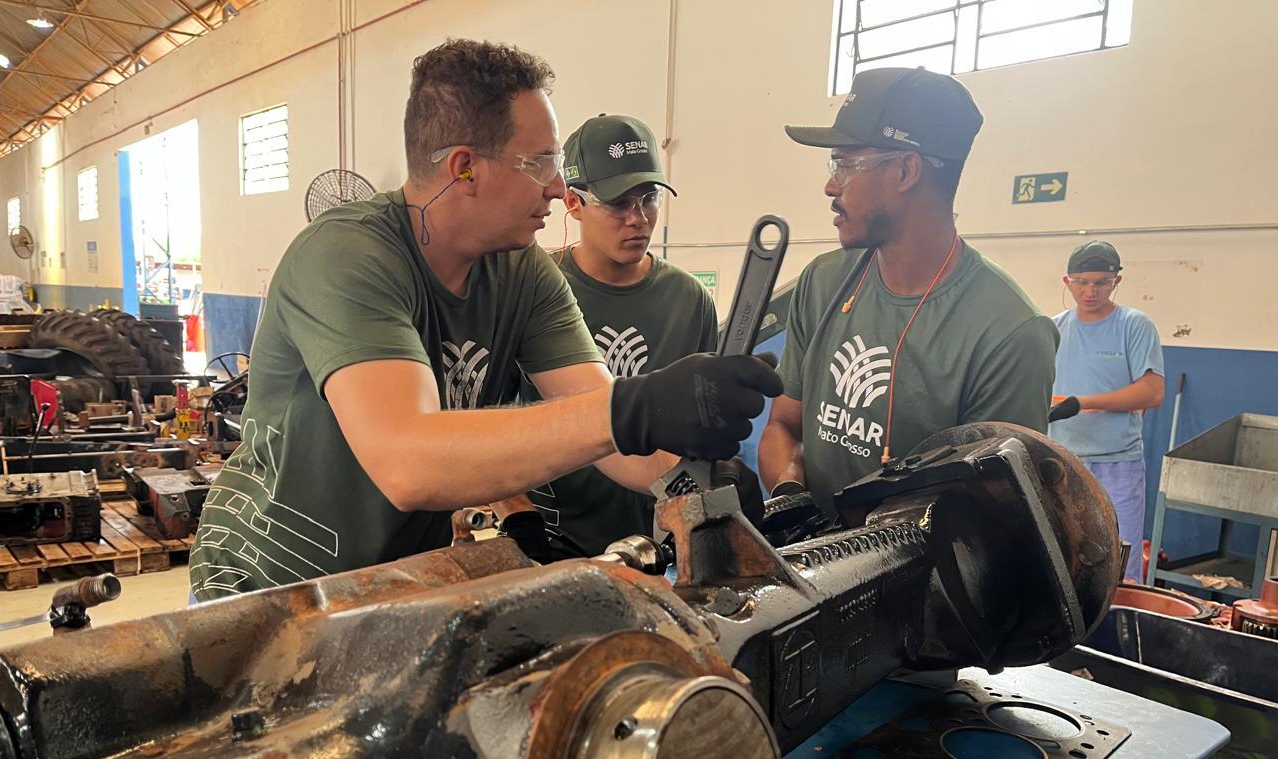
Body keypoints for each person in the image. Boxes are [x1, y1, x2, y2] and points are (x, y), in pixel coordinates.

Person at [189, 40, 778, 600]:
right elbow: (408, 461)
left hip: (391, 583)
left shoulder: (522, 271)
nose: (557, 184)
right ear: (465, 167)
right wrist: (636, 408)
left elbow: (610, 437)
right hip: (265, 585)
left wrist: (694, 473)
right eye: (540, 161)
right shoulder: (344, 256)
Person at [758, 66, 1058, 523]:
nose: (831, 185)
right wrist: (790, 498)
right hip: (807, 569)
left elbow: (992, 514)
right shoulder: (822, 282)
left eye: (846, 162)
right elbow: (784, 425)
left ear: (905, 170)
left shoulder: (1009, 332)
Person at [510, 114, 718, 560]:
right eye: (618, 203)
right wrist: (517, 517)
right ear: (573, 202)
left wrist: (705, 488)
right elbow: (488, 418)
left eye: (648, 198)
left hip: (657, 542)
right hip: (552, 541)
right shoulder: (531, 288)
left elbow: (695, 426)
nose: (638, 219)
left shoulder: (689, 299)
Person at [1048, 241, 1164, 581]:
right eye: (1081, 282)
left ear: (1117, 281)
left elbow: (1152, 391)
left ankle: (1118, 629)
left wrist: (1083, 403)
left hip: (1117, 464)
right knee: (1061, 554)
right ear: (1067, 282)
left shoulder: (1134, 325)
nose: (1090, 291)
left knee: (1118, 558)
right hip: (1061, 463)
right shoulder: (1053, 329)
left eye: (1101, 281)